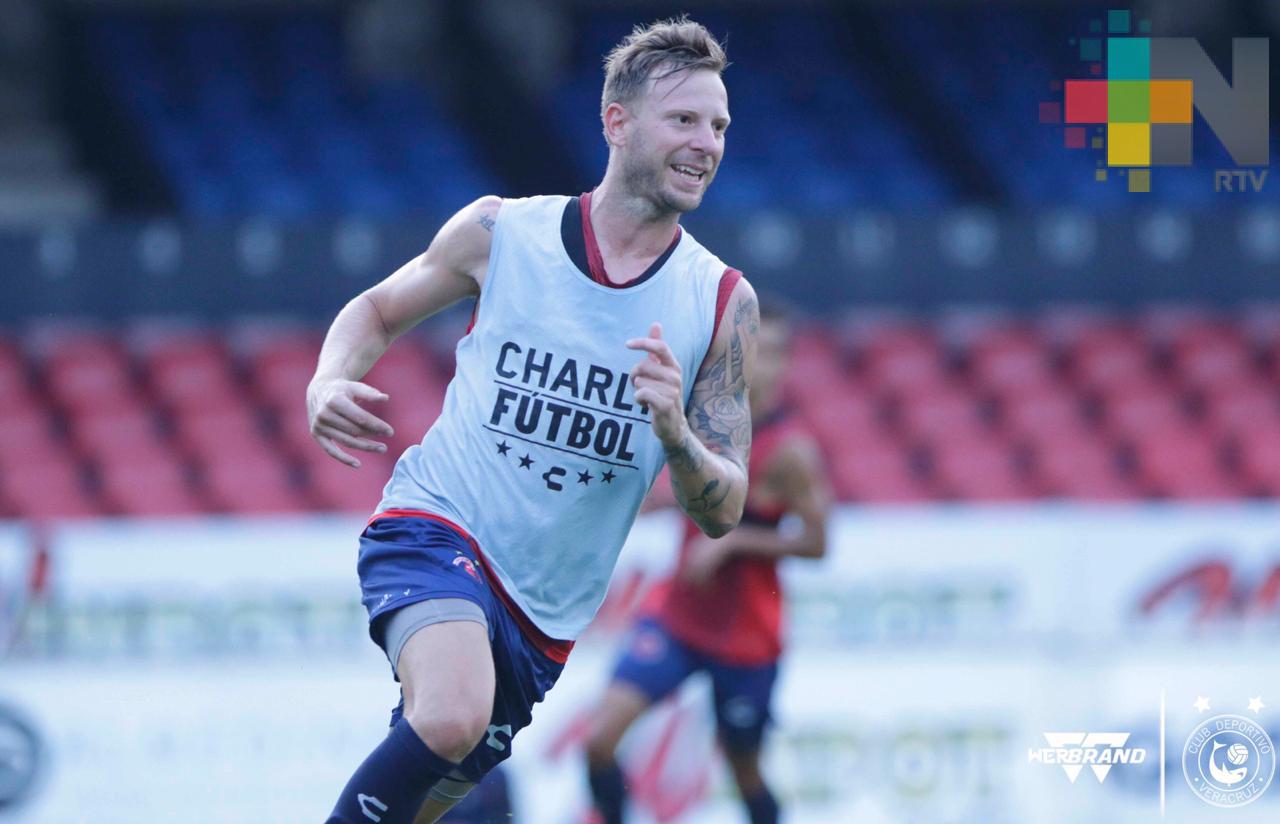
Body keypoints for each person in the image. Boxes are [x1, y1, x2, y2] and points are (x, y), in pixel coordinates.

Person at [307, 17, 759, 824]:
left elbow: (723, 507)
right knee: (453, 716)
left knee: (429, 800)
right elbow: (375, 310)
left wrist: (676, 436)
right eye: (685, 119)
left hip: (543, 616)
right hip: (438, 525)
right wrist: (326, 382)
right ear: (617, 122)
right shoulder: (502, 231)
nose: (707, 143)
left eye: (719, 125)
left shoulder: (720, 299)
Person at [583, 301, 829, 824]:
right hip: (678, 618)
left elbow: (817, 544)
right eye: (754, 350)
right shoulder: (701, 421)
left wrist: (734, 543)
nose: (763, 364)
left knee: (746, 774)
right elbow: (683, 489)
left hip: (746, 639)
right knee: (599, 742)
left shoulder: (791, 452)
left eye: (775, 353)